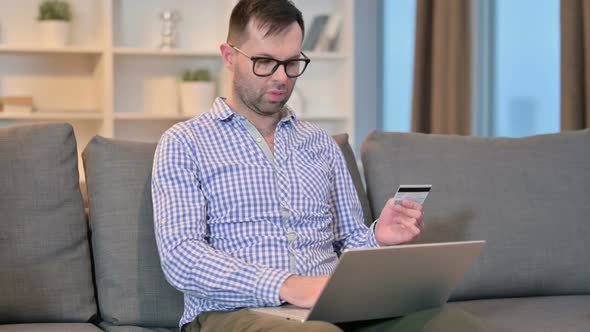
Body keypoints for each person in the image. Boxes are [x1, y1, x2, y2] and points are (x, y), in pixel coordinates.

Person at [151, 0, 484, 331]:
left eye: (292, 63)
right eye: (265, 62)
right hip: (233, 312)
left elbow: (349, 243)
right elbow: (182, 256)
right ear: (229, 56)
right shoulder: (185, 142)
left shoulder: (321, 144)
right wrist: (290, 285)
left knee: (454, 324)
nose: (281, 77)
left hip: (332, 308)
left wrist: (377, 239)